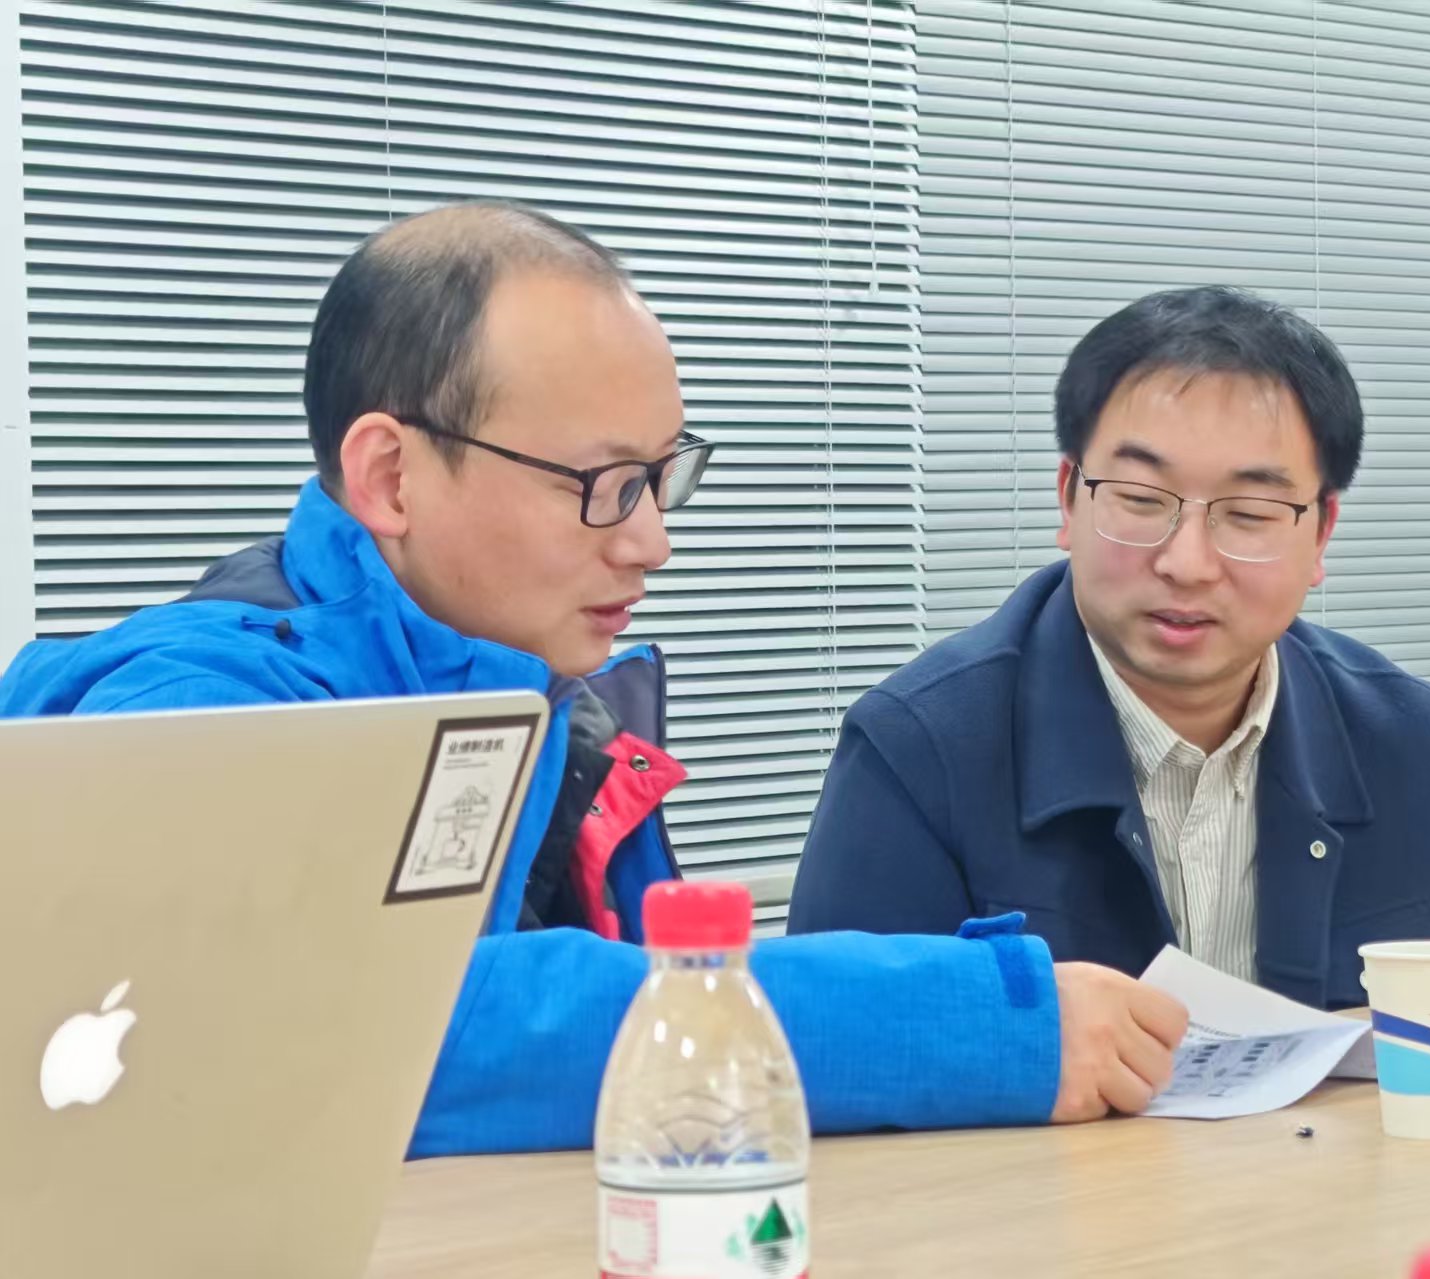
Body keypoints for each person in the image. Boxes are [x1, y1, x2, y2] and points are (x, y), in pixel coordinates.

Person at [0, 201, 1189, 1154]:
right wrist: (978, 1023)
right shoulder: (193, 713)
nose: (651, 541)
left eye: (662, 477)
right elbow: (366, 1037)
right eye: (603, 484)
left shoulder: (553, 707)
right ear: (391, 478)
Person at [789, 286, 1430, 1010]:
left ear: (1320, 534)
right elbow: (832, 1042)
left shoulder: (1418, 752)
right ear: (1069, 498)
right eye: (1140, 498)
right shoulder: (920, 752)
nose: (1187, 564)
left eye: (1249, 512)